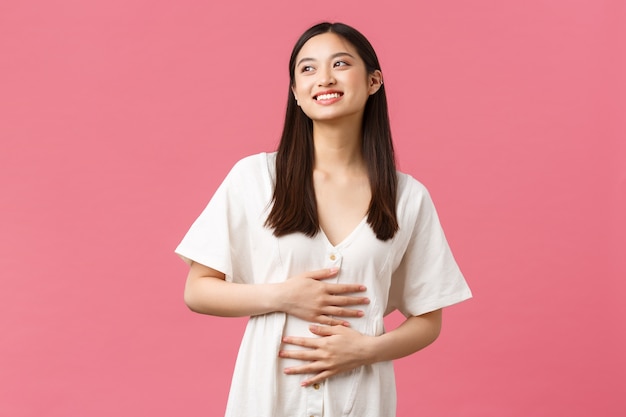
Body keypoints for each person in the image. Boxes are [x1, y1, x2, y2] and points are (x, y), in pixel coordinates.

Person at [175, 22, 472, 417]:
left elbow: (429, 317)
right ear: (296, 93)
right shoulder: (255, 179)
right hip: (268, 398)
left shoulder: (408, 198)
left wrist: (368, 350)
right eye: (308, 69)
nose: (324, 79)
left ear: (373, 81)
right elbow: (198, 290)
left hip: (361, 399)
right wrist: (281, 295)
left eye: (341, 64)